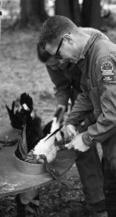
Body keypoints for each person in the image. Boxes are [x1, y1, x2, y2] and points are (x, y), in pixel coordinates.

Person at [38, 15, 116, 217]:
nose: (61, 61)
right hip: (106, 126)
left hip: (110, 124)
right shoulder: (84, 56)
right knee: (110, 187)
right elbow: (83, 93)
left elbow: (113, 112)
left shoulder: (102, 57)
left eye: (59, 55)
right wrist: (67, 121)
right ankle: (99, 203)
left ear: (68, 39)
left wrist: (87, 137)